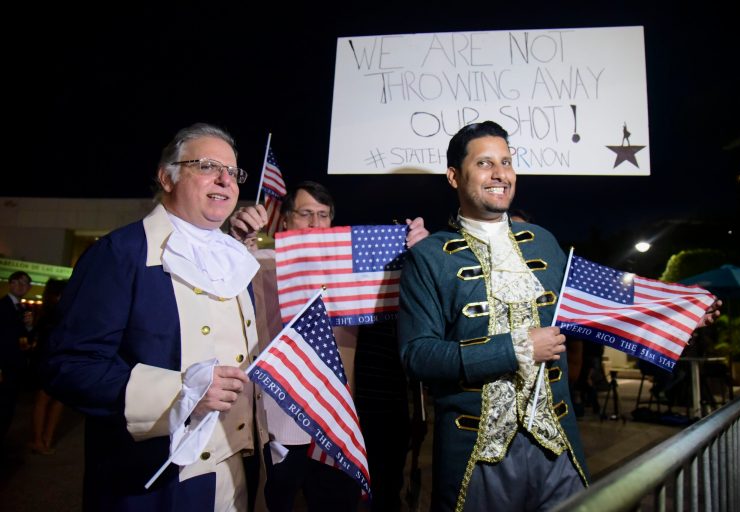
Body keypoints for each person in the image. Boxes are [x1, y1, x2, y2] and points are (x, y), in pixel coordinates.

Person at [42, 123, 269, 511]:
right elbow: (68, 365)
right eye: (207, 166)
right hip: (156, 484)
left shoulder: (235, 258)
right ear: (167, 177)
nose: (224, 180)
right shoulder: (120, 253)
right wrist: (183, 393)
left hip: (237, 474)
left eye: (232, 172)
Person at [397, 121, 589, 511]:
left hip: (557, 451)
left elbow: (599, 304)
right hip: (478, 457)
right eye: (485, 163)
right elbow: (417, 356)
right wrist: (516, 348)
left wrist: (676, 313)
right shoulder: (429, 256)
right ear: (454, 176)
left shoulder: (545, 242)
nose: (501, 173)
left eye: (506, 161)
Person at [230, 180, 429, 511]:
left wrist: (417, 247)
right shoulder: (262, 262)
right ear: (285, 220)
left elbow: (402, 283)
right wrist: (241, 242)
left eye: (322, 215)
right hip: (280, 419)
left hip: (335, 419)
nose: (314, 224)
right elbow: (232, 273)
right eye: (305, 213)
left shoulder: (347, 271)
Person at [28, 278, 68, 455]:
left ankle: (43, 440)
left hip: (53, 360)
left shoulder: (52, 313)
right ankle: (42, 440)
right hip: (52, 360)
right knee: (47, 400)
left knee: (49, 401)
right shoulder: (53, 314)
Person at [0, 271, 34, 451]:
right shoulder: (3, 306)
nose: (23, 286)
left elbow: (24, 336)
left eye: (26, 283)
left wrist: (29, 327)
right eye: (19, 282)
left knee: (9, 405)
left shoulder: (24, 309)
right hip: (4, 363)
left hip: (16, 364)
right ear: (10, 284)